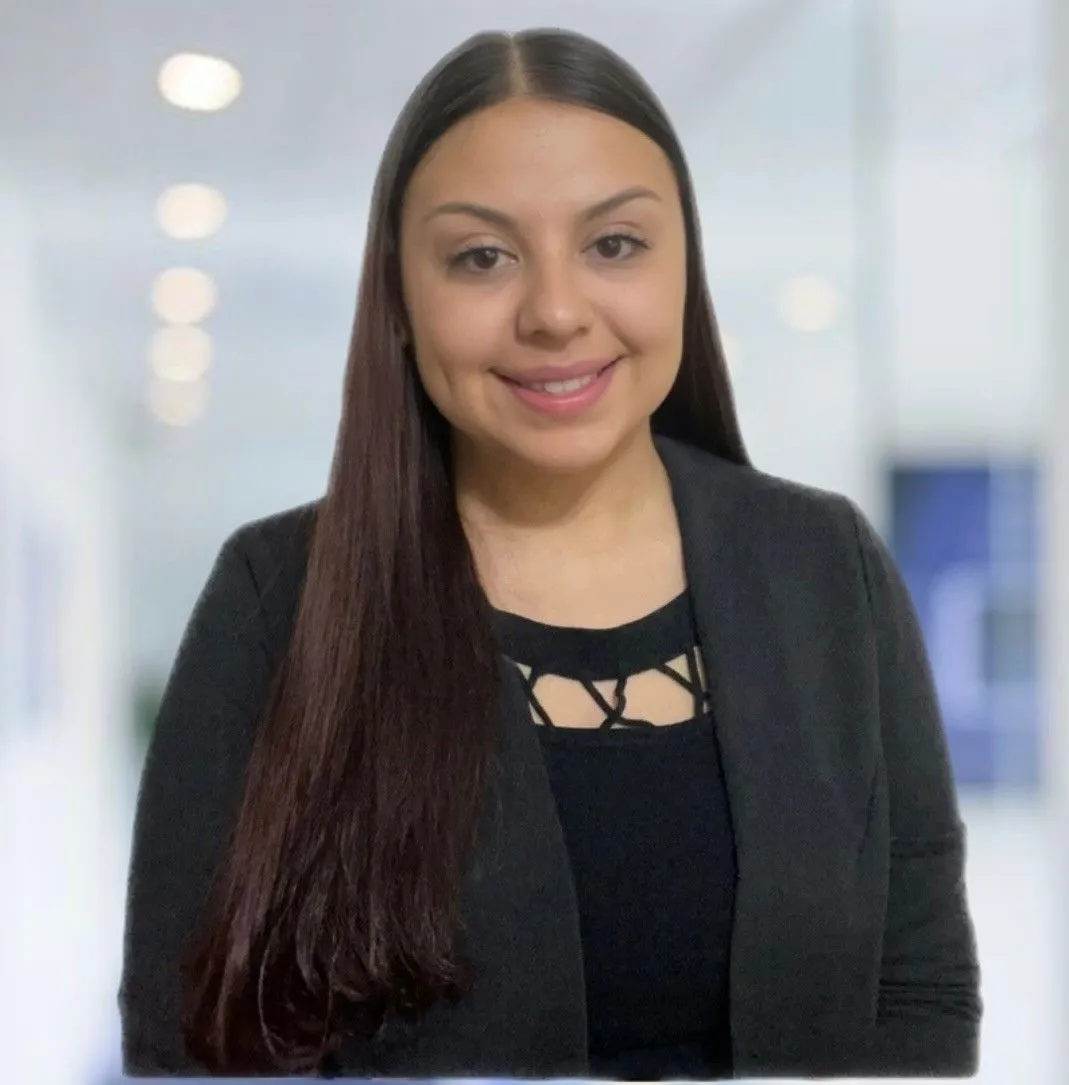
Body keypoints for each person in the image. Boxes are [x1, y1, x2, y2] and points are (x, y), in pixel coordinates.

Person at [118, 27, 982, 1081]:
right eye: (481, 256)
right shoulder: (281, 598)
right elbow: (190, 1042)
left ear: (681, 268)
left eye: (614, 244)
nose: (557, 311)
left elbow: (918, 995)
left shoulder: (825, 567)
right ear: (398, 297)